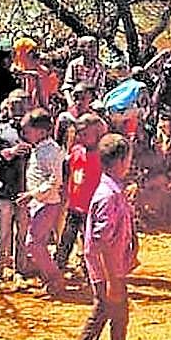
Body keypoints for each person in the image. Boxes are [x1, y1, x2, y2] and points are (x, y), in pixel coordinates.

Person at [63, 134, 139, 340]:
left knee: (119, 312)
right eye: (127, 158)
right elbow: (102, 241)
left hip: (112, 265)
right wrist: (110, 279)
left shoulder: (112, 189)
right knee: (103, 308)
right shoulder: (108, 194)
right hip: (105, 267)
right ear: (119, 162)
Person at [0, 91, 32, 289]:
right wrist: (5, 154)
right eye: (14, 105)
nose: (18, 109)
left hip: (26, 191)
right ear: (7, 107)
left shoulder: (35, 130)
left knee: (23, 235)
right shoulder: (0, 131)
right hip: (3, 189)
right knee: (1, 234)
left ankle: (19, 272)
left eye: (22, 105)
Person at [20, 109, 66, 295]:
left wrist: (32, 194)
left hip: (48, 203)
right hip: (39, 203)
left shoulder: (52, 152)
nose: (25, 135)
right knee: (36, 242)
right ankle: (49, 278)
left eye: (28, 131)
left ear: (41, 131)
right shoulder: (40, 149)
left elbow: (55, 181)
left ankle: (54, 278)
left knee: (34, 243)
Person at [56, 113, 106, 272]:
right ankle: (58, 268)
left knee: (89, 241)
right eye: (80, 133)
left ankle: (90, 270)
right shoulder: (76, 151)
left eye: (85, 134)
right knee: (67, 238)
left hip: (92, 208)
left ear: (98, 134)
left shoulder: (102, 156)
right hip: (74, 206)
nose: (81, 137)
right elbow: (69, 173)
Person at [62, 36, 106, 106]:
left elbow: (100, 88)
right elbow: (67, 86)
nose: (93, 51)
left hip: (91, 101)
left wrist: (97, 102)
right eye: (89, 47)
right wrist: (70, 102)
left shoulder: (100, 67)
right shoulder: (74, 64)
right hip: (76, 100)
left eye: (94, 47)